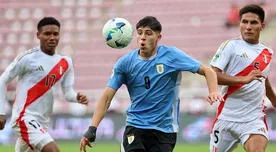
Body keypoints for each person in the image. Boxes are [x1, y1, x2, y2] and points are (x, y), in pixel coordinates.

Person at [80, 16, 223, 152]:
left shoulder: (171, 56)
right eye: (140, 33)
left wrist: (213, 91)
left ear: (158, 37)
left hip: (165, 130)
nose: (143, 37)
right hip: (135, 127)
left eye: (148, 33)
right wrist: (92, 128)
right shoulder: (125, 63)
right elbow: (106, 98)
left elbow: (207, 70)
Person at [0, 17, 88, 152]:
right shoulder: (27, 58)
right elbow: (3, 80)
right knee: (53, 150)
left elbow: (67, 92)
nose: (52, 37)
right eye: (47, 34)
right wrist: (1, 112)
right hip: (24, 118)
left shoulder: (65, 62)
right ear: (38, 35)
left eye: (55, 34)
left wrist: (76, 97)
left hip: (43, 121)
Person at [210, 4, 276, 152]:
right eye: (244, 22)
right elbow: (213, 75)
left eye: (253, 23)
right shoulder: (230, 46)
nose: (248, 27)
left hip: (254, 119)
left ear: (262, 26)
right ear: (239, 24)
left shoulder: (267, 52)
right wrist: (243, 79)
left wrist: (274, 100)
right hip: (226, 118)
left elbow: (263, 79)